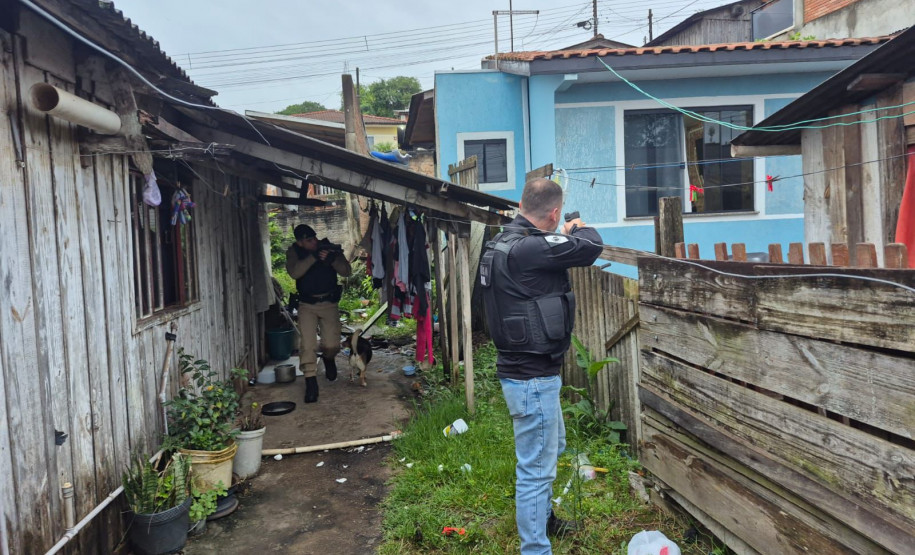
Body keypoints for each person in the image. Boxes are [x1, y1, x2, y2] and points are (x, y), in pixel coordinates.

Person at [480, 178, 603, 554]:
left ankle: (545, 519)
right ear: (554, 213)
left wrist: (558, 234)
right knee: (535, 469)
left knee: (551, 448)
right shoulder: (530, 248)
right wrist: (576, 228)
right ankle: (535, 548)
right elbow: (592, 246)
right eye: (558, 217)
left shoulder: (501, 242)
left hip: (528, 372)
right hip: (530, 377)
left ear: (521, 204)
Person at [285, 224, 352, 403]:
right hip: (307, 305)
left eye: (314, 238)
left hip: (329, 303)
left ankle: (329, 359)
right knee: (307, 344)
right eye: (309, 240)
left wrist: (332, 260)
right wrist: (313, 257)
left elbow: (346, 271)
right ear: (300, 243)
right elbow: (294, 272)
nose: (314, 242)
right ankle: (311, 382)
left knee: (331, 344)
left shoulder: (328, 248)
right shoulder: (294, 253)